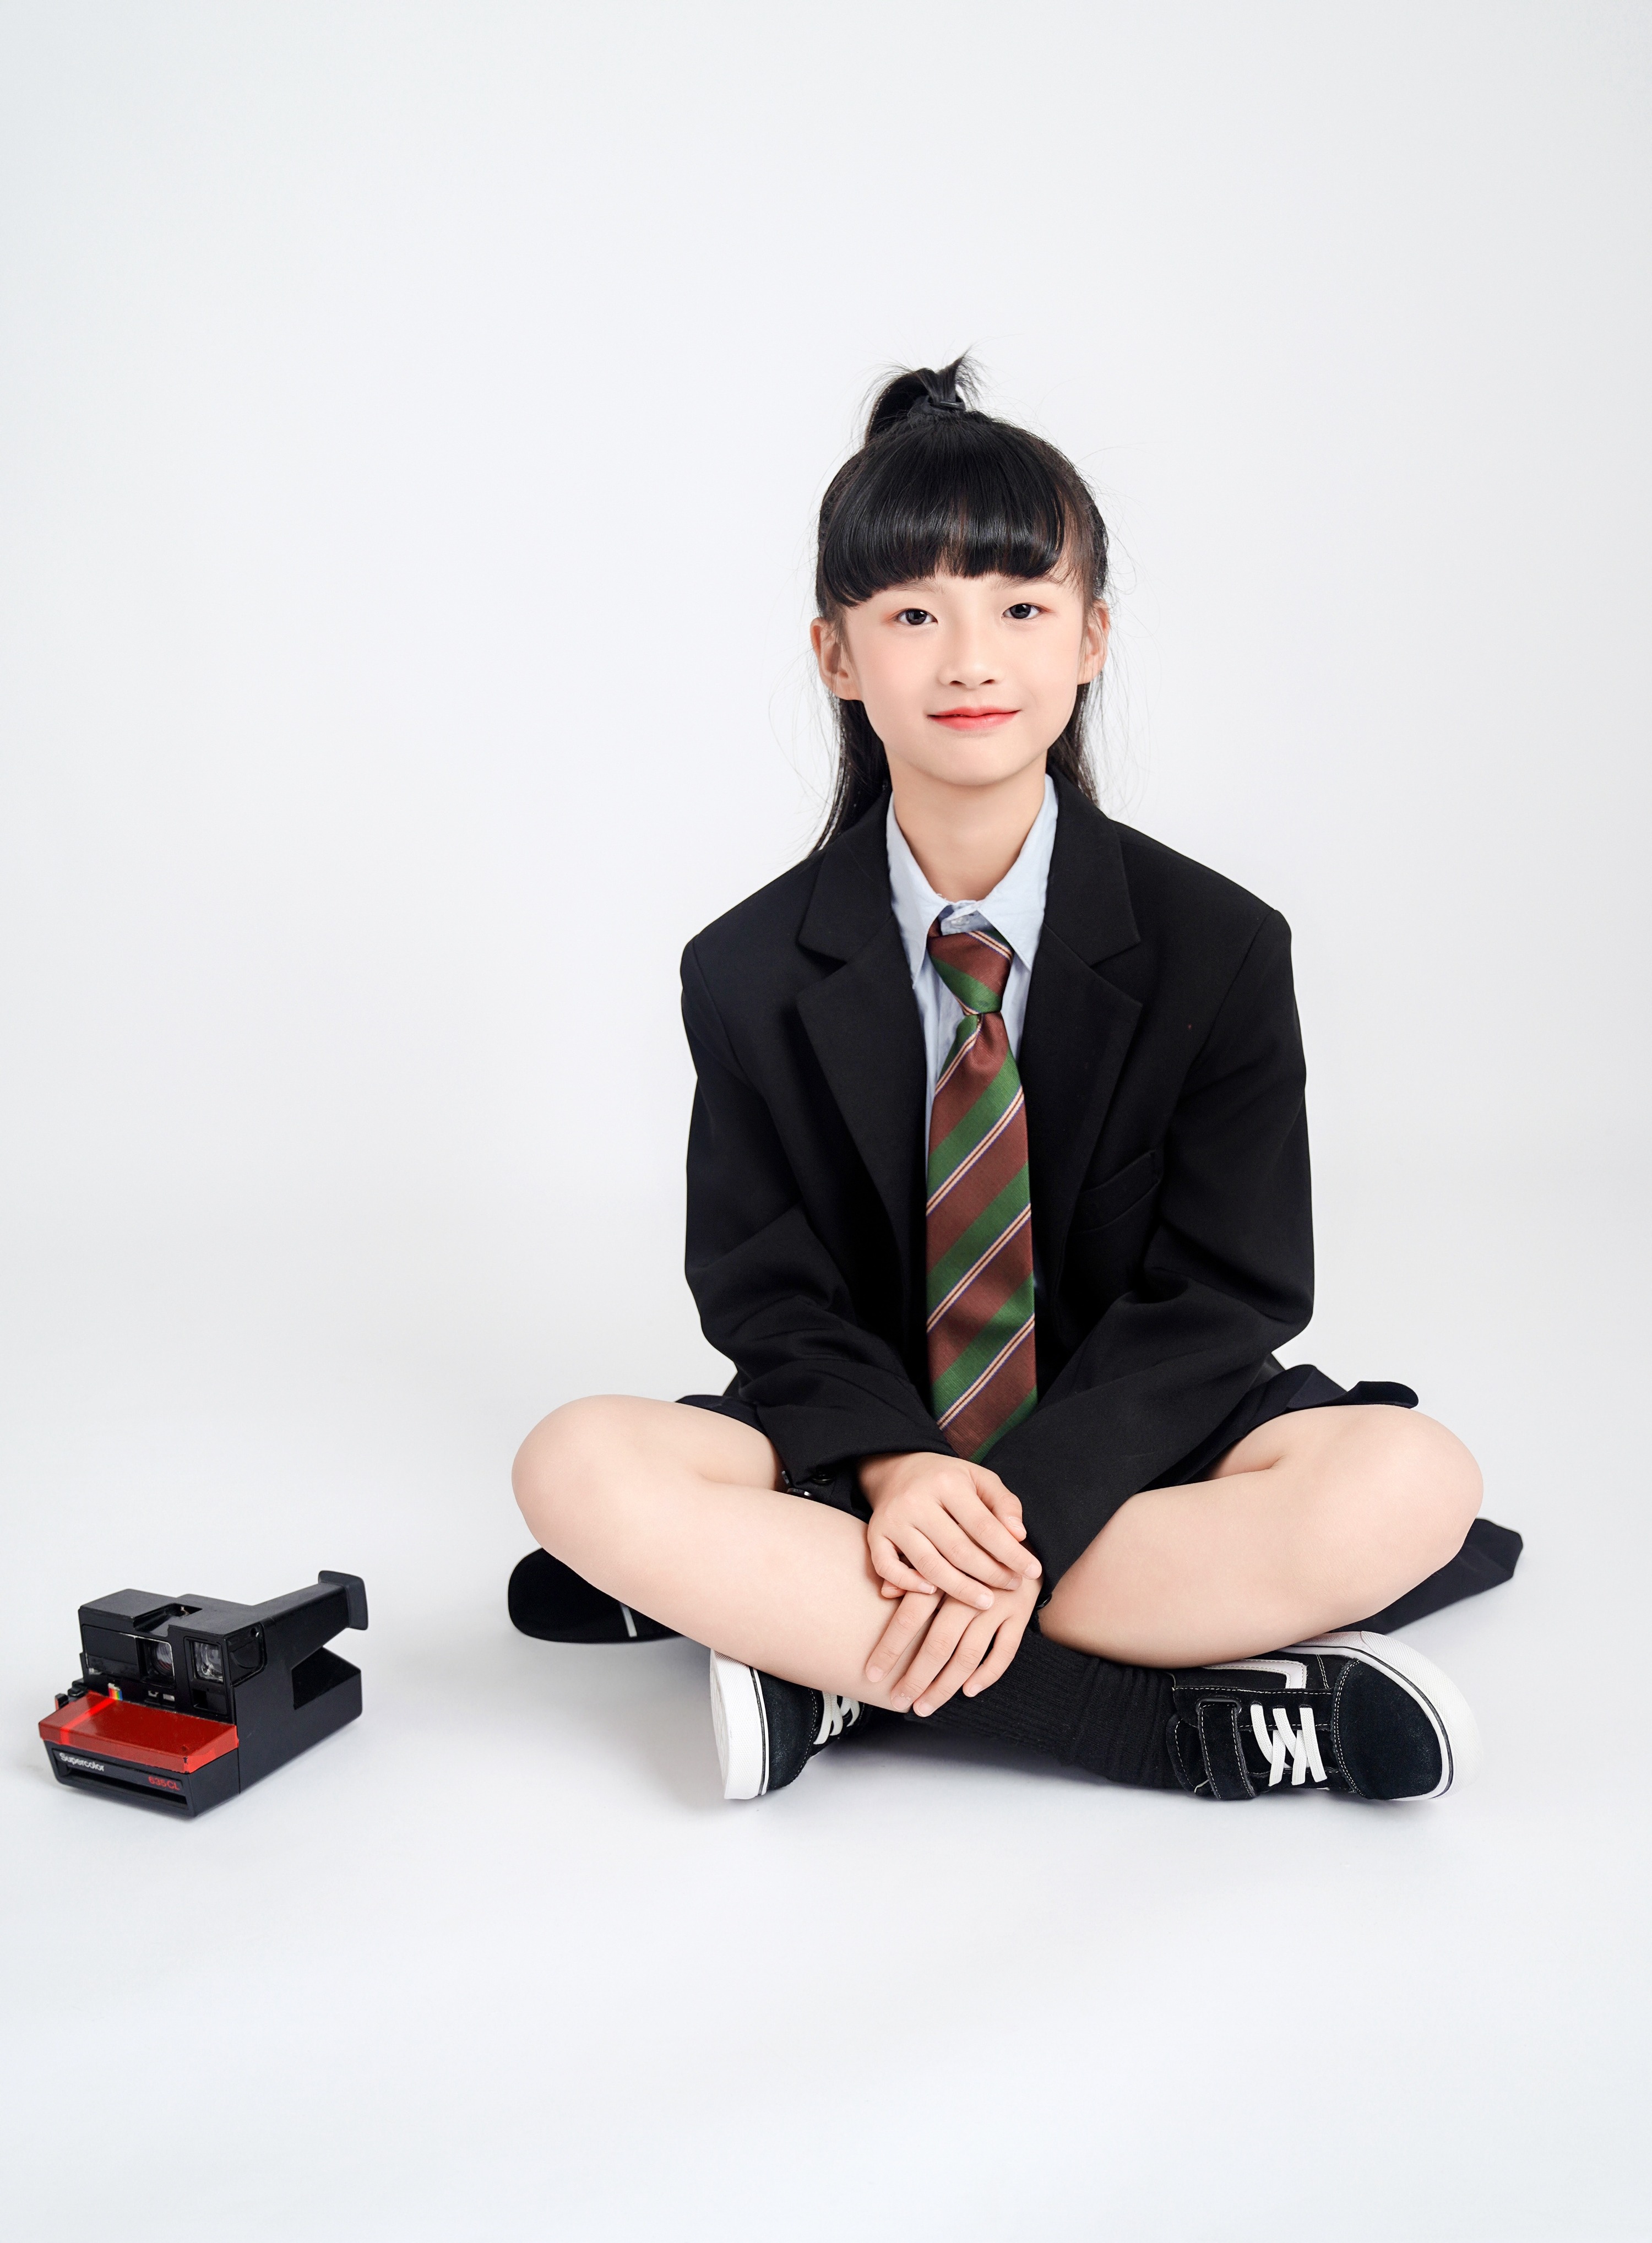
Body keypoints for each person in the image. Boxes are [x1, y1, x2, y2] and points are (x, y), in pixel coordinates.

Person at [509, 356, 1521, 1805]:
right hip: (872, 1447)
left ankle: (820, 1652)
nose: (970, 660)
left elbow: (1231, 1288)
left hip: (1133, 1445)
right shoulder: (743, 970)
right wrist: (899, 1470)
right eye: (914, 615)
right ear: (838, 656)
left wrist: (1022, 1513)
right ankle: (1173, 1724)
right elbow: (766, 1286)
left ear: (1092, 637)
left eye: (1022, 609)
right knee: (575, 1464)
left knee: (1415, 1482)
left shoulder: (1221, 944)